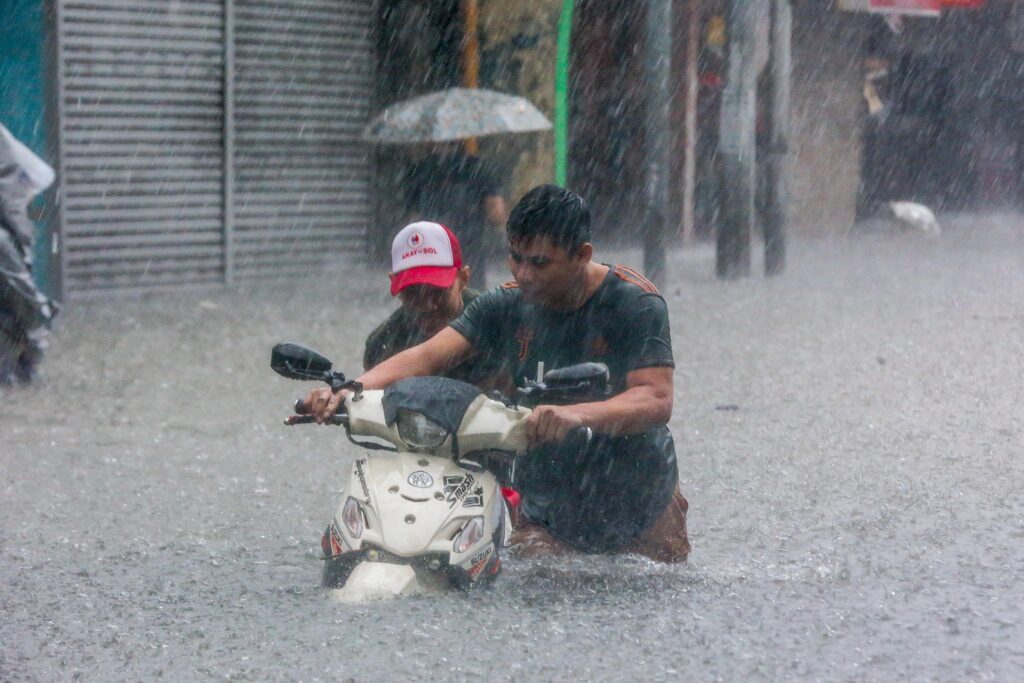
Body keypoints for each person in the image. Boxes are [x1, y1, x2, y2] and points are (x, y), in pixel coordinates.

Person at [309, 184, 689, 562]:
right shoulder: (504, 305)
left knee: (651, 595)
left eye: (539, 263)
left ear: (581, 255)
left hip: (640, 498)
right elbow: (426, 356)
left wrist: (575, 414)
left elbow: (656, 398)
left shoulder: (634, 303)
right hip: (547, 506)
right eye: (515, 257)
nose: (523, 274)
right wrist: (347, 390)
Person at [363, 220, 500, 387]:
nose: (427, 306)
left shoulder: (498, 324)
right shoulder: (383, 343)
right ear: (394, 284)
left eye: (438, 292)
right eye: (413, 294)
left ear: (463, 278)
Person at [402, 143, 508, 288]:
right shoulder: (480, 168)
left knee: (434, 300)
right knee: (470, 301)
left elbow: (411, 217)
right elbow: (496, 214)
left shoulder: (420, 169)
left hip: (431, 250)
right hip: (469, 250)